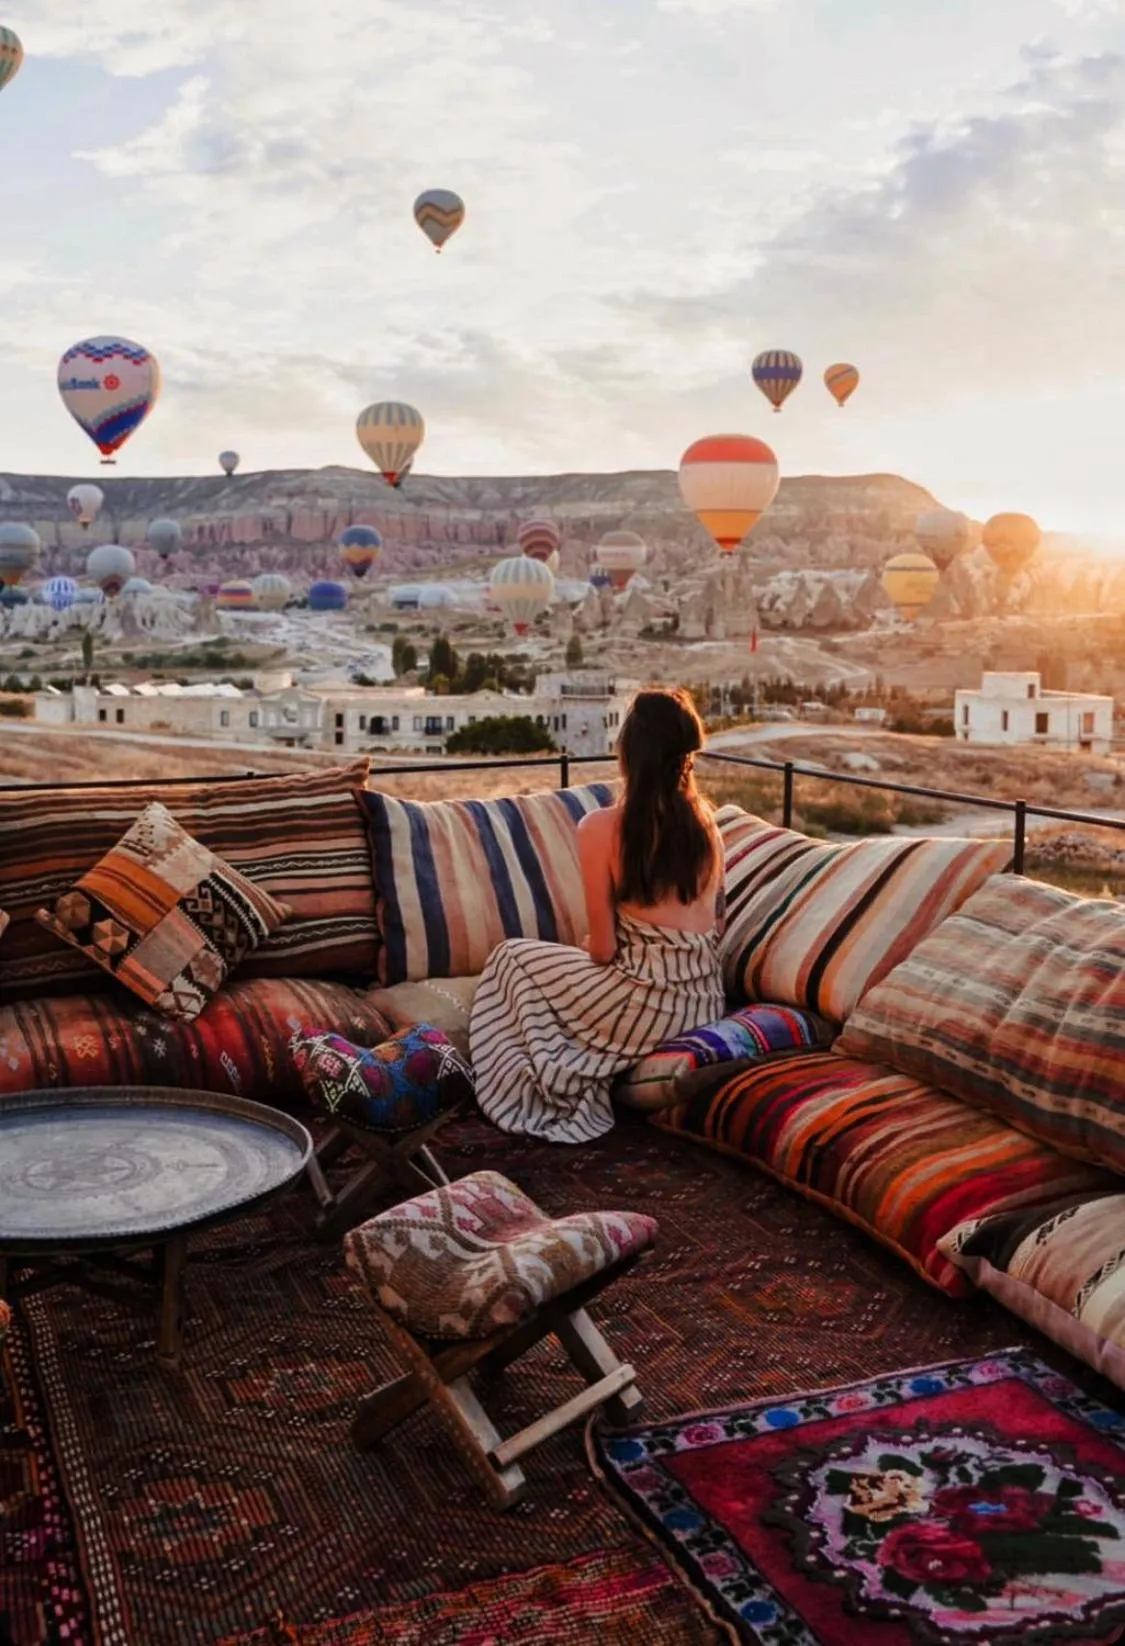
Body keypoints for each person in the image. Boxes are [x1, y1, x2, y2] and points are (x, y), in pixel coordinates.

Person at [470, 687, 725, 1143]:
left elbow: (604, 950)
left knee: (511, 959)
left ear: (630, 752)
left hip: (643, 1004)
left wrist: (589, 948)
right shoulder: (708, 824)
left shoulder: (602, 828)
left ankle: (536, 1080)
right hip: (703, 999)